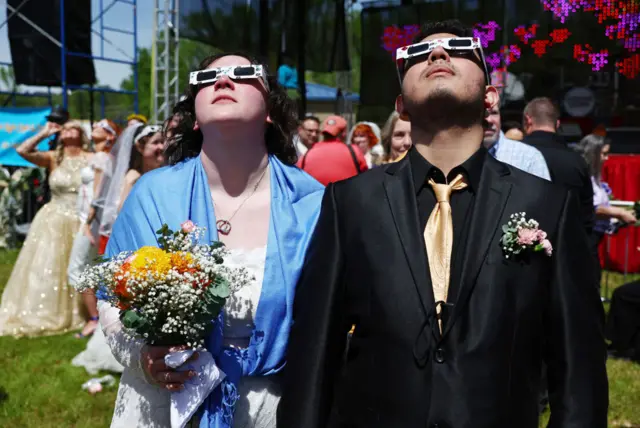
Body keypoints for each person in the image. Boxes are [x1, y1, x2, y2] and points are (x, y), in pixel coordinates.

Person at [278, 19, 608, 428]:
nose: (436, 54)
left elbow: (578, 367)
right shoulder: (350, 202)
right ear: (400, 105)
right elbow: (315, 352)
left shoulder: (546, 204)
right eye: (417, 54)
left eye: (461, 49)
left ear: (490, 96)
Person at [99, 52, 324, 427]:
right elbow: (111, 298)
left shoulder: (313, 202)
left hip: (271, 407)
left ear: (270, 109)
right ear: (196, 116)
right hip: (164, 401)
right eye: (207, 77)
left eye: (242, 73)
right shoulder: (152, 193)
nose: (223, 80)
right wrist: (144, 357)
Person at [0, 121, 91, 336]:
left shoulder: (90, 158)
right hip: (54, 218)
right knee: (48, 265)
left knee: (81, 265)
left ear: (80, 134)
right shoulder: (53, 158)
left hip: (81, 217)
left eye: (72, 128)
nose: (67, 131)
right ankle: (46, 310)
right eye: (64, 129)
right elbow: (22, 150)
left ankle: (86, 312)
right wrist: (43, 133)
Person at [68, 119, 121, 339]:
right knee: (89, 267)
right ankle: (98, 316)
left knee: (78, 269)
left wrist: (88, 223)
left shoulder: (102, 158)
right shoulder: (102, 157)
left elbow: (99, 194)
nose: (95, 128)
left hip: (92, 219)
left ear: (110, 136)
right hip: (91, 218)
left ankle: (94, 319)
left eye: (101, 127)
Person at [522, 97, 594, 234]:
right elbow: (587, 215)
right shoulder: (577, 161)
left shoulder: (513, 155)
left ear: (528, 120)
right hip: (568, 245)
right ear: (558, 123)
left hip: (521, 246)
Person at [575, 134, 636, 287]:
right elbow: (593, 207)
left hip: (595, 237)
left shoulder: (595, 178)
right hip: (585, 236)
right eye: (604, 154)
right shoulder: (583, 177)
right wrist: (620, 213)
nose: (607, 158)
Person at [297, 115, 368, 185]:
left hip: (319, 196)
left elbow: (298, 179)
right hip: (348, 195)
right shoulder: (354, 152)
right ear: (344, 134)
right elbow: (366, 179)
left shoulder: (307, 154)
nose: (313, 134)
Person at [483, 105, 550, 180]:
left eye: (494, 113)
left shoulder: (529, 157)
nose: (489, 120)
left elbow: (541, 191)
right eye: (482, 113)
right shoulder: (467, 155)